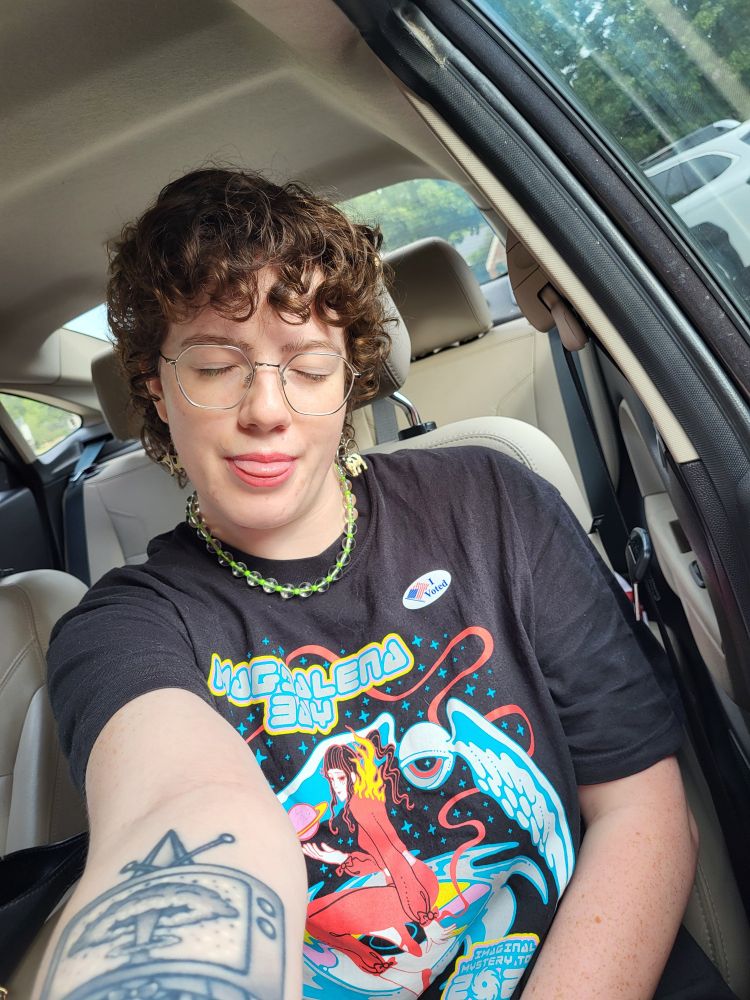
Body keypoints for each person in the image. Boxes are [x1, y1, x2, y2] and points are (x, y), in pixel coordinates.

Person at [36, 167, 704, 1000]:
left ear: (350, 377)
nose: (266, 410)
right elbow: (181, 819)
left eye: (307, 366)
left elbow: (644, 812)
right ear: (155, 389)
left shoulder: (492, 502)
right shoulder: (123, 630)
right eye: (215, 365)